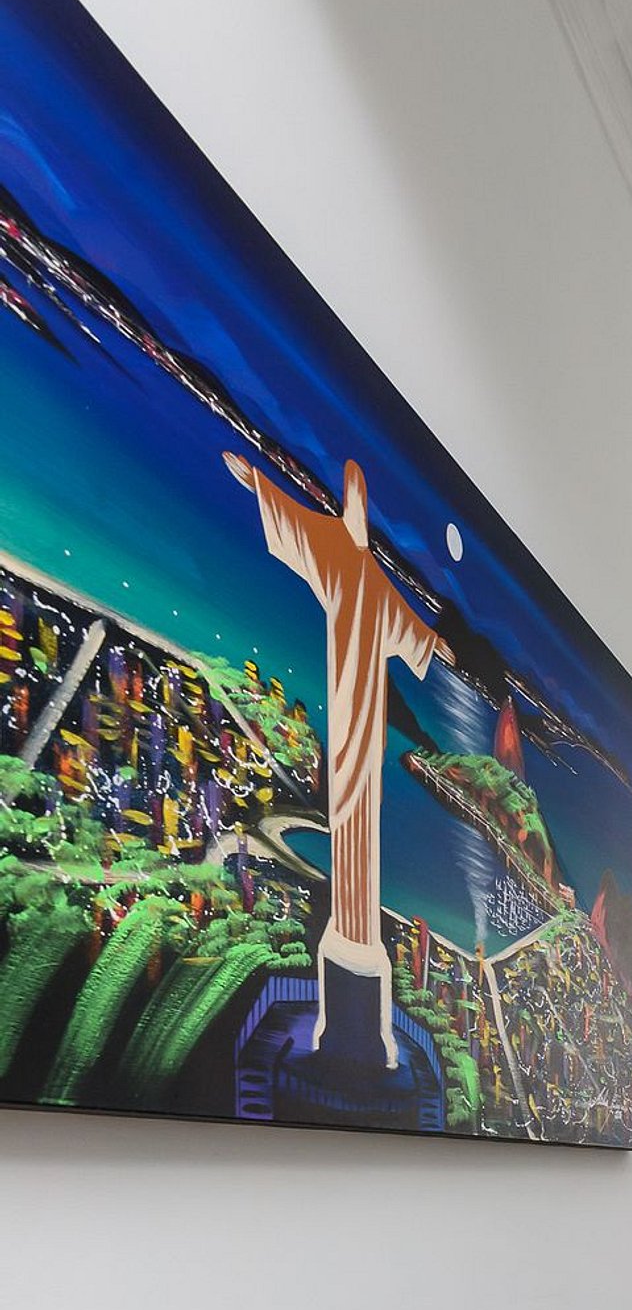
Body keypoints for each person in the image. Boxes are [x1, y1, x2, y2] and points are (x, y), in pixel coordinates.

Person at [224, 452, 453, 1067]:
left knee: (362, 819)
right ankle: (351, 952)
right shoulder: (332, 546)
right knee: (349, 811)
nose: (355, 499)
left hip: (365, 728)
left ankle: (359, 944)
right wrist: (256, 482)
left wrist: (436, 644)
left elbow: (411, 629)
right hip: (348, 717)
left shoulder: (373, 577)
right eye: (351, 490)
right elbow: (294, 524)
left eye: (359, 493)